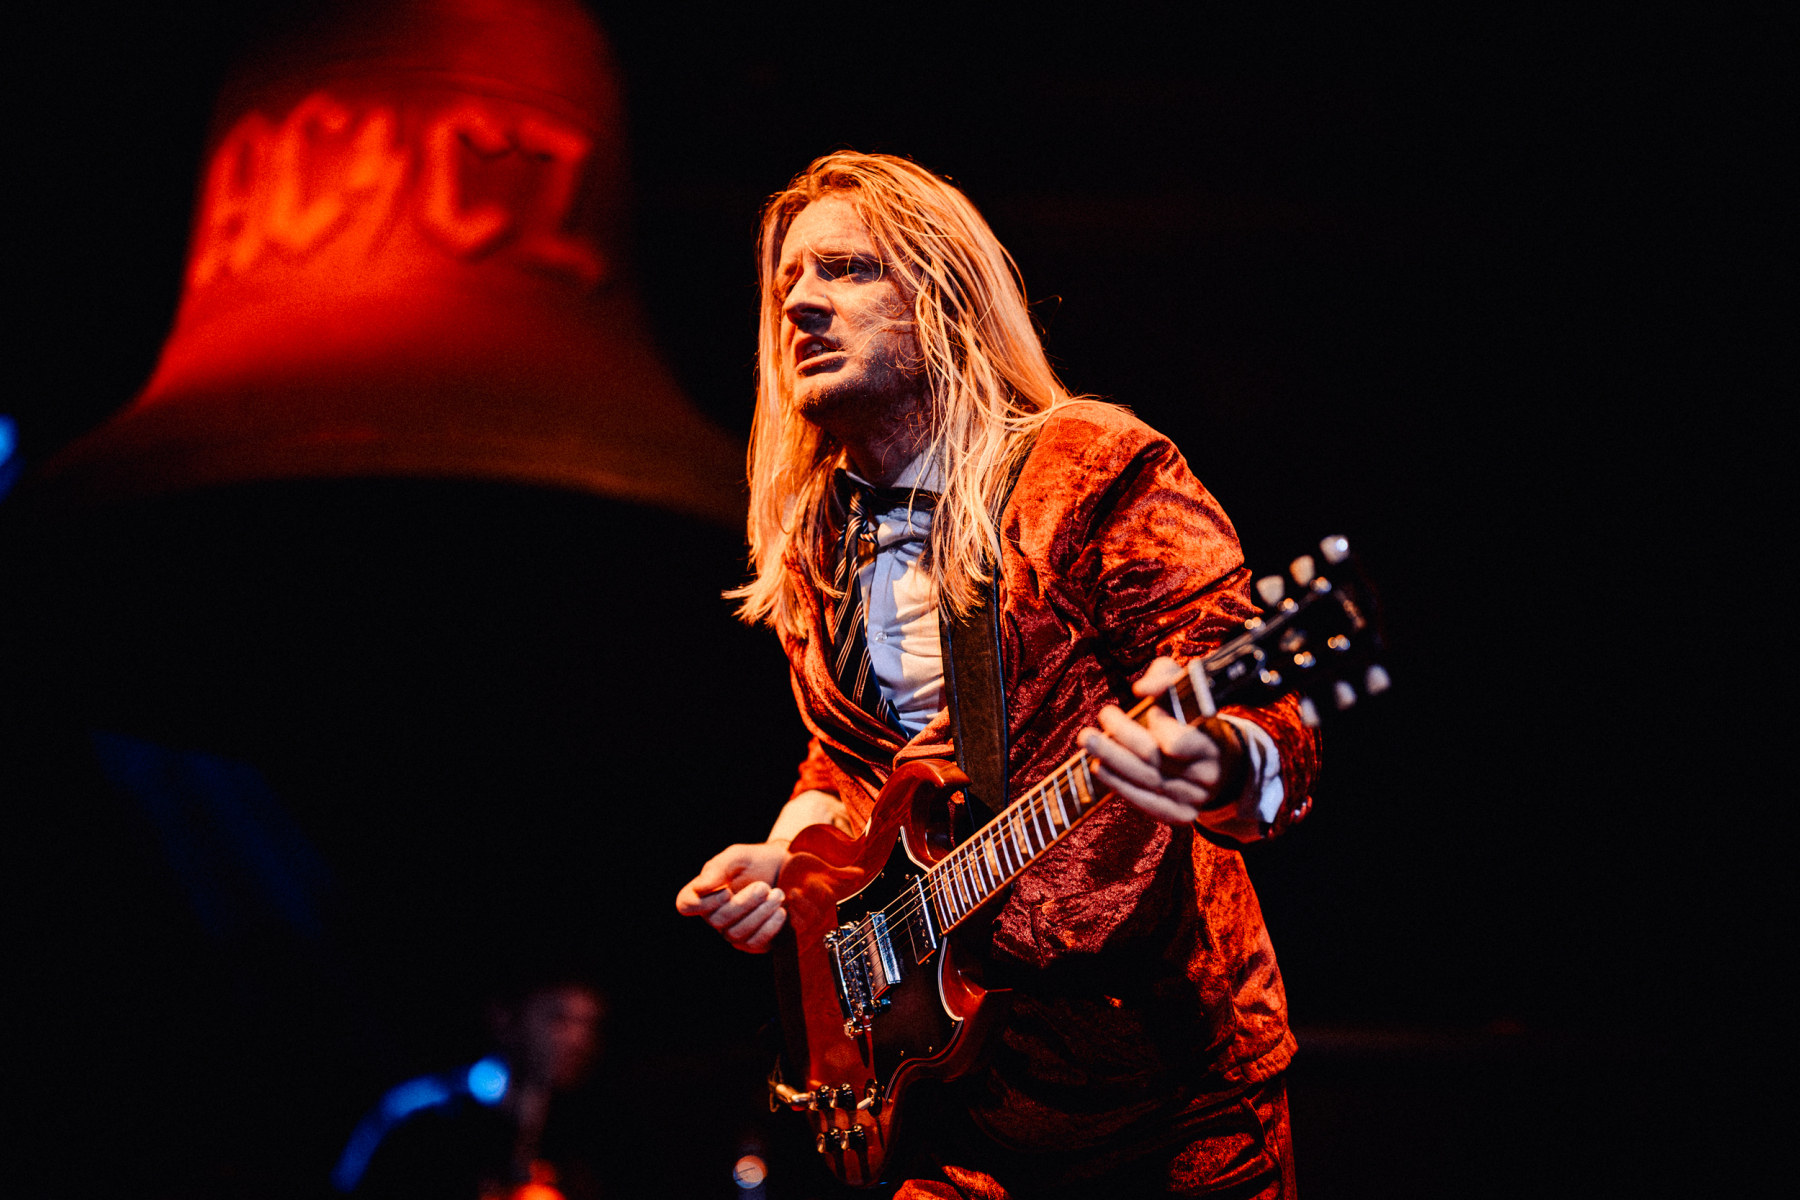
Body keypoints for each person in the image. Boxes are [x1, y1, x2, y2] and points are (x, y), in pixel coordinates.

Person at [675, 152, 1320, 1198]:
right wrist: (794, 866)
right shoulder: (817, 539)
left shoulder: (1089, 469)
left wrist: (1220, 759)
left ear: (942, 295)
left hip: (1172, 1084)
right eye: (786, 281)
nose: (798, 303)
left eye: (845, 269)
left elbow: (1250, 692)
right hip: (958, 1104)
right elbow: (847, 757)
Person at [334, 979, 604, 1200]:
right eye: (558, 1019)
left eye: (589, 1025)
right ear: (504, 1017)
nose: (578, 1040)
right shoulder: (428, 1117)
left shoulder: (583, 1134)